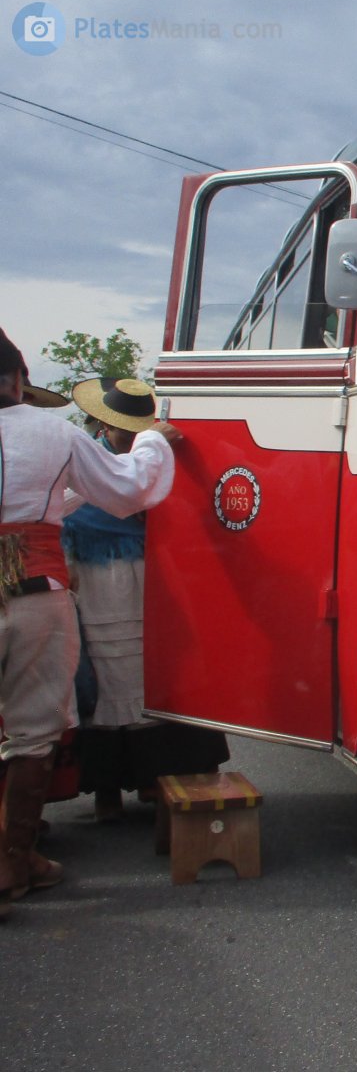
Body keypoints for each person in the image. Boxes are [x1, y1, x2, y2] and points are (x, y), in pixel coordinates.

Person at [0, 329, 178, 917]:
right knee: (31, 730)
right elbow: (126, 490)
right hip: (30, 591)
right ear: (18, 382)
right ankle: (12, 865)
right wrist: (150, 442)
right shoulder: (52, 431)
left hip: (41, 581)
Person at [64, 378, 228, 822]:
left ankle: (160, 777)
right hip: (100, 582)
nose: (130, 436)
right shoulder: (86, 459)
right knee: (107, 676)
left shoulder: (154, 455)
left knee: (157, 673)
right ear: (103, 424)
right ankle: (106, 789)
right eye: (122, 429)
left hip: (157, 579)